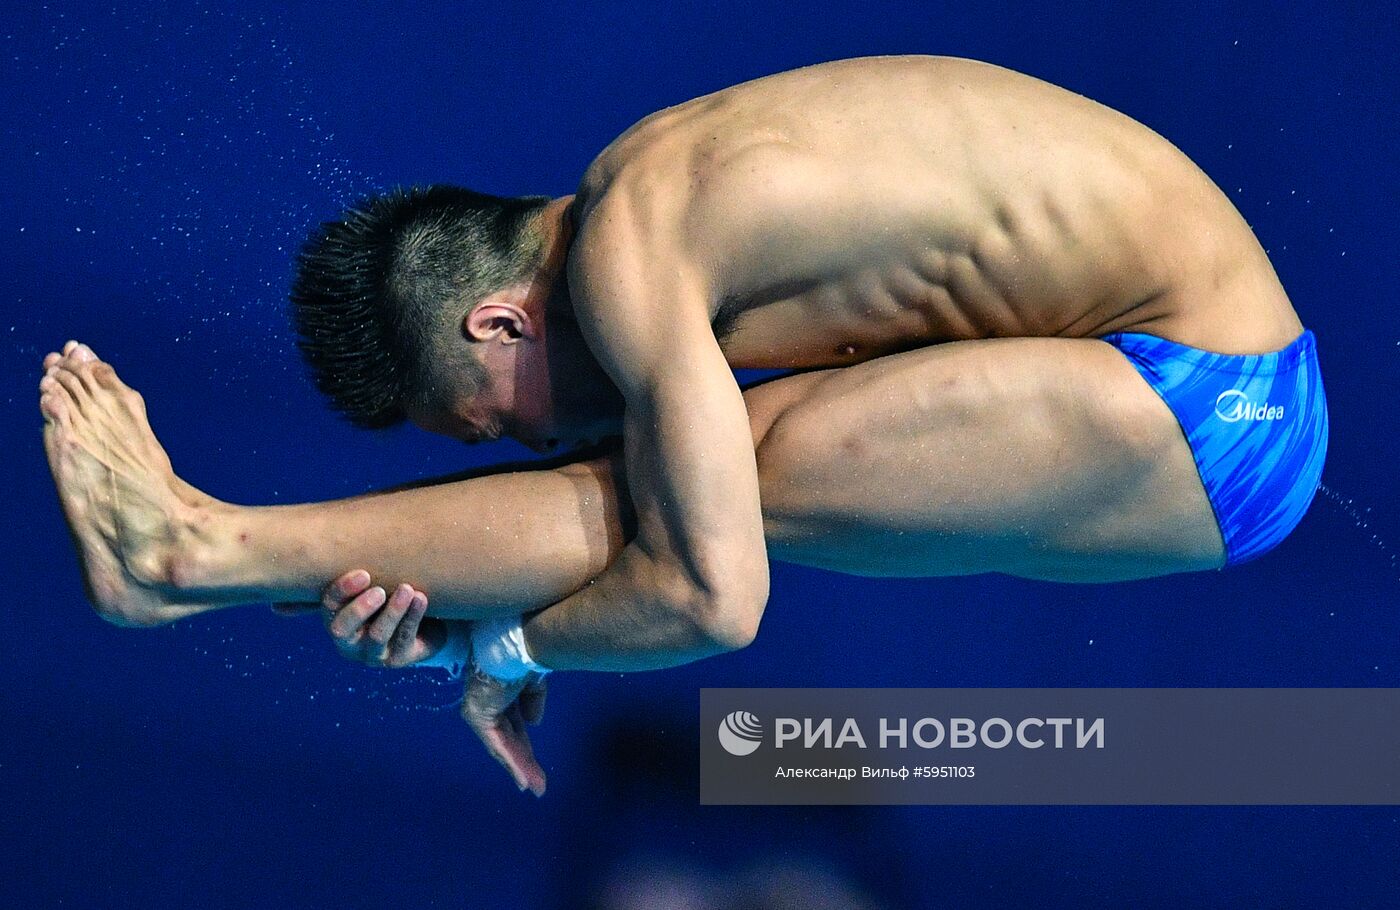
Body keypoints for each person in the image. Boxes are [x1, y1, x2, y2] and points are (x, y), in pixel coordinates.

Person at [39, 55, 1328, 795]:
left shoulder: (637, 243)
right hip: (1187, 381)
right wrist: (481, 641)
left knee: (705, 502)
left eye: (489, 425)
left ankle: (190, 556)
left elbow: (713, 603)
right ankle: (205, 555)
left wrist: (506, 650)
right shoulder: (653, 200)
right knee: (669, 481)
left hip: (1217, 401)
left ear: (497, 321)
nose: (530, 445)